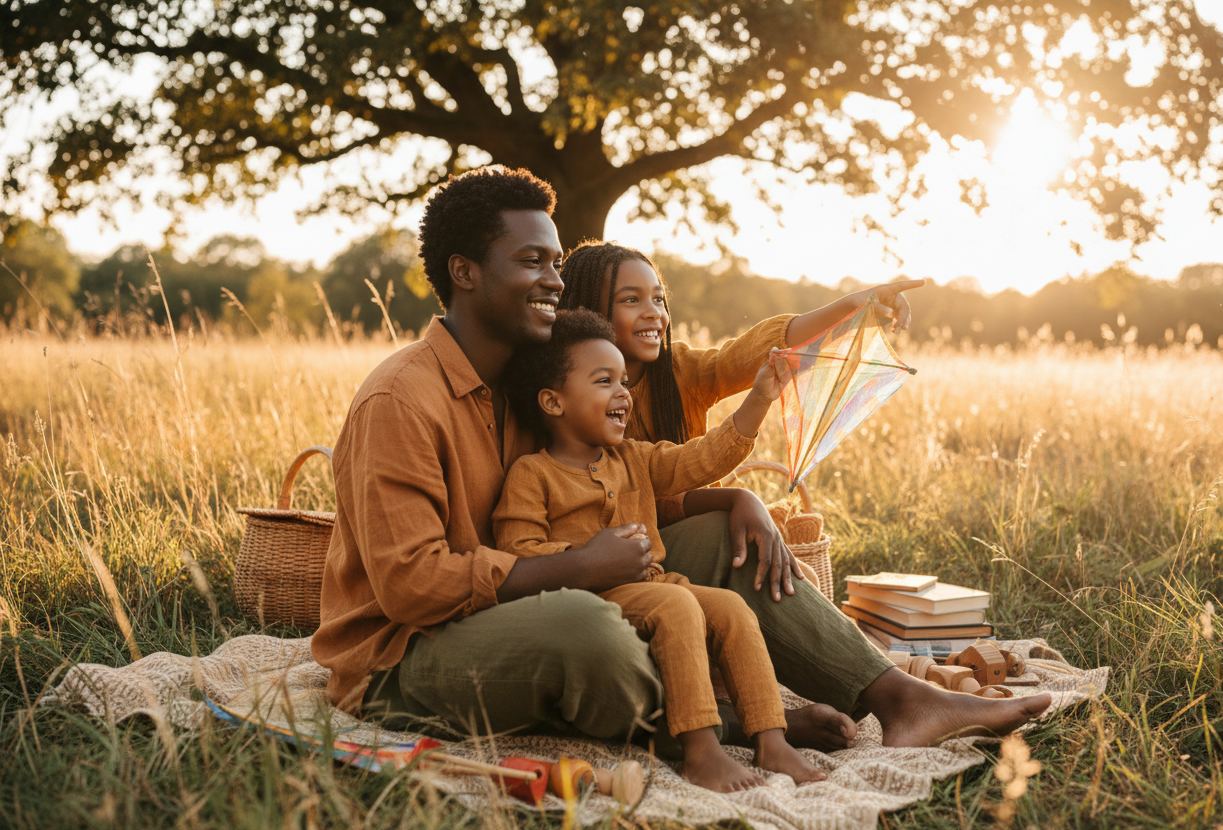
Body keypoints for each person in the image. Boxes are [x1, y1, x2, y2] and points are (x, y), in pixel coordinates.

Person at [312, 165, 1050, 765]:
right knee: (585, 628)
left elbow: (622, 486)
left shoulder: (532, 386)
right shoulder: (400, 400)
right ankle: (729, 724)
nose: (554, 280)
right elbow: (411, 586)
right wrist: (575, 568)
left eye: (557, 263)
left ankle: (902, 700)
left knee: (723, 545)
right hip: (405, 655)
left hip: (529, 595)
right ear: (464, 272)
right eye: (531, 262)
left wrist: (730, 501)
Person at [493, 309, 843, 790]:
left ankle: (771, 738)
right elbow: (518, 550)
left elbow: (701, 458)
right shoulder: (531, 474)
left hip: (656, 587)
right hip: (589, 600)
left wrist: (760, 398)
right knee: (677, 605)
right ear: (554, 401)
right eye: (604, 381)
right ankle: (702, 751)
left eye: (623, 381)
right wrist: (586, 557)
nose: (623, 392)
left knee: (731, 608)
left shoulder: (634, 457)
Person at [557, 241, 927, 602]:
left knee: (805, 578)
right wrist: (735, 497)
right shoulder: (573, 398)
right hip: (636, 555)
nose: (654, 313)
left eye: (658, 299)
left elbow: (756, 351)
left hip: (700, 533)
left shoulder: (679, 371)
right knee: (748, 551)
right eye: (631, 300)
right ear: (588, 312)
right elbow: (653, 500)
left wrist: (853, 305)